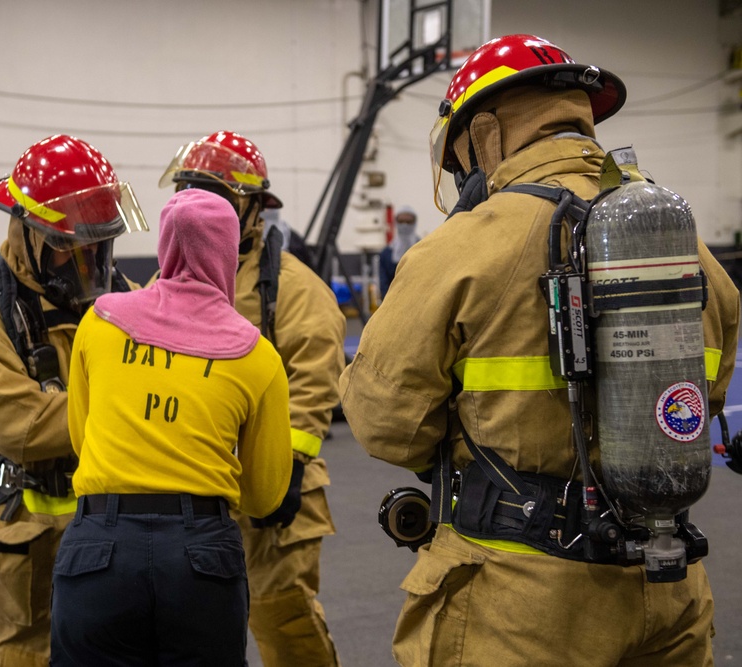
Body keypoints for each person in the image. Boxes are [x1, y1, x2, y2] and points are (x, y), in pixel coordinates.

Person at [339, 34, 740, 666]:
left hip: (521, 602)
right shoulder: (683, 246)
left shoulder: (461, 249)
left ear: (489, 134)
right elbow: (701, 395)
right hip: (670, 592)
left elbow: (385, 425)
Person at [51, 187, 293, 665]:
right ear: (229, 252)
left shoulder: (98, 322)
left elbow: (81, 436)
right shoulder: (256, 354)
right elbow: (265, 495)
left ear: (164, 246)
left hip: (99, 546)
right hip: (200, 555)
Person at [0, 134, 146, 667]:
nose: (87, 260)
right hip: (36, 532)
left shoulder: (124, 295)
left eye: (97, 243)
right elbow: (15, 424)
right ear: (27, 231)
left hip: (118, 523)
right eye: (70, 244)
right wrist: (126, 404)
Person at [160, 130, 346, 666]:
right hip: (193, 490)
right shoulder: (165, 282)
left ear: (253, 208)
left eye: (215, 197)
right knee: (195, 634)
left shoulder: (295, 288)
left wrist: (287, 465)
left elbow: (313, 380)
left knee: (284, 623)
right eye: (188, 194)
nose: (198, 210)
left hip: (275, 493)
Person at [377, 205, 419, 298]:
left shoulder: (423, 248)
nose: (405, 225)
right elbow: (384, 284)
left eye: (409, 221)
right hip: (393, 300)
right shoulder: (386, 253)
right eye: (401, 221)